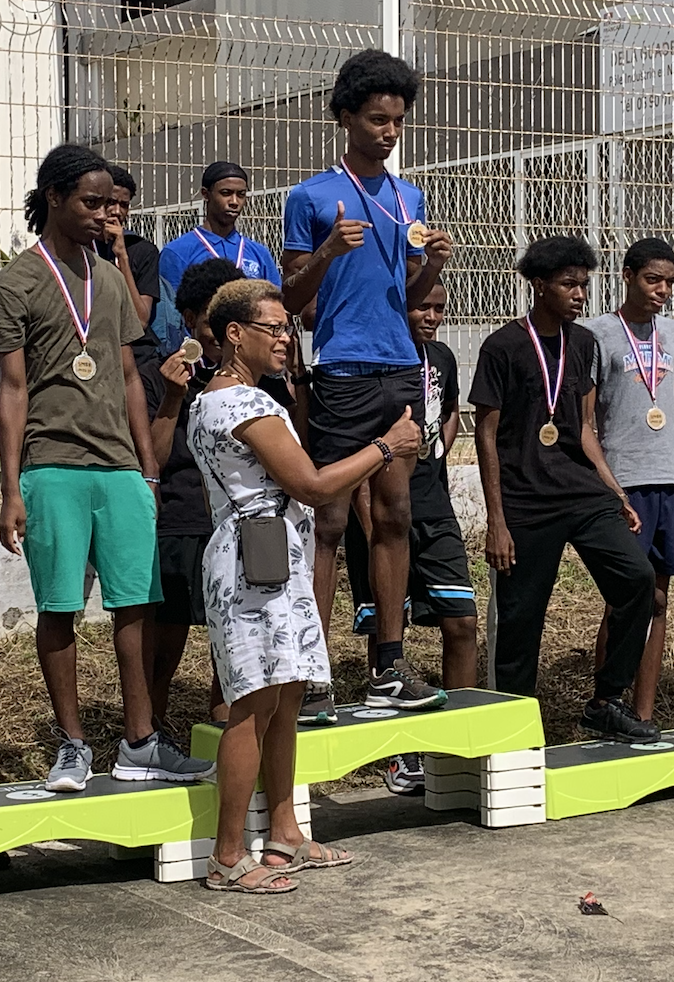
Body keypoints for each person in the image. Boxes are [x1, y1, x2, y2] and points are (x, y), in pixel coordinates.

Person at [0, 143, 214, 792]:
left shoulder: (111, 279)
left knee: (135, 604)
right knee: (60, 608)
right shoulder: (15, 285)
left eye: (108, 204)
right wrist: (11, 488)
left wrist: (148, 467)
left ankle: (141, 740)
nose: (101, 215)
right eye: (88, 202)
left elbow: (128, 377)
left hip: (119, 467)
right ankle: (73, 743)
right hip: (51, 464)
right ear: (53, 197)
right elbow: (12, 390)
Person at [190, 278, 418, 892]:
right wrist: (385, 447)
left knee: (287, 696)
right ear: (234, 334)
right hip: (251, 563)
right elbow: (313, 485)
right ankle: (228, 855)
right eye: (273, 328)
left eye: (289, 327)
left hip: (275, 557)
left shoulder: (240, 399)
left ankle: (285, 830)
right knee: (252, 705)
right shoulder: (241, 405)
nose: (287, 339)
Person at [280, 48, 452, 722]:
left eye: (398, 121)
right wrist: (327, 252)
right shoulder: (311, 197)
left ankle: (388, 663)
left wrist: (432, 267)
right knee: (325, 520)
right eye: (378, 119)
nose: (389, 131)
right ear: (347, 115)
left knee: (395, 516)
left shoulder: (409, 196)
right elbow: (293, 297)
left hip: (400, 368)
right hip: (344, 372)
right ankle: (313, 671)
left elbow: (407, 294)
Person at [472, 236, 658, 742]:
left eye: (584, 284)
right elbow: (485, 434)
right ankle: (513, 728)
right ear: (538, 285)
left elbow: (583, 429)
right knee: (520, 619)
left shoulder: (583, 343)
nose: (579, 294)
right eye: (568, 284)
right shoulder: (503, 346)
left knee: (638, 579)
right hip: (526, 502)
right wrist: (497, 520)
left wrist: (616, 493)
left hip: (581, 492)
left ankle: (605, 701)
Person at [137, 258, 295, 728]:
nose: (223, 334)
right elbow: (156, 459)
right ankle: (155, 733)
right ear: (188, 319)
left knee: (235, 653)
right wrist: (170, 398)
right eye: (212, 322)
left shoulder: (260, 380)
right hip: (183, 516)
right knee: (166, 641)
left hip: (246, 528)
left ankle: (225, 729)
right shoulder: (158, 374)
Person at [344, 278, 477, 792]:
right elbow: (363, 444)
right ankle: (401, 756)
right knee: (387, 630)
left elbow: (448, 416)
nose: (431, 315)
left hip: (435, 508)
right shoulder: (376, 363)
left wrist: (435, 453)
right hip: (382, 511)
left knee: (461, 621)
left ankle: (455, 742)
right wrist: (369, 519)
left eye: (439, 307)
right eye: (421, 306)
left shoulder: (442, 357)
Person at [582, 237, 674, 724]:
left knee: (658, 599)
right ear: (628, 275)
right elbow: (586, 419)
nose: (661, 290)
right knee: (625, 597)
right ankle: (604, 703)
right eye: (652, 280)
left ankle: (643, 711)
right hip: (624, 482)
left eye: (670, 283)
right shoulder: (596, 335)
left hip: (667, 483)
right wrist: (608, 485)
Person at [157, 160, 282, 291]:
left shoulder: (259, 254)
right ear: (206, 194)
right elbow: (170, 308)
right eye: (226, 193)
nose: (234, 202)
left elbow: (275, 303)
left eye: (241, 195)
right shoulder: (177, 252)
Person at [99, 163, 162, 329]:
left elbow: (141, 320)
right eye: (110, 202)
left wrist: (122, 256)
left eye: (124, 205)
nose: (117, 211)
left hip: (135, 348)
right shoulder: (81, 246)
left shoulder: (143, 250)